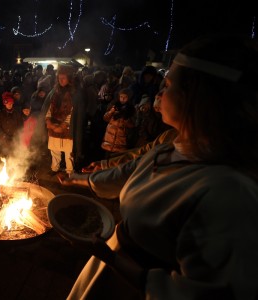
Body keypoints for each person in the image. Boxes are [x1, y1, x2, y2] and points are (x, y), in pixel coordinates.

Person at [60, 34, 258, 299]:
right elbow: (125, 174)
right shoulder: (170, 146)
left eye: (168, 84)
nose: (160, 93)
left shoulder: (229, 193)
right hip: (109, 267)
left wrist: (116, 261)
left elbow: (207, 293)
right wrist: (76, 179)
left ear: (196, 96)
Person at [100, 88, 136, 157]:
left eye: (125, 97)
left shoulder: (131, 110)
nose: (122, 99)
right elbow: (105, 118)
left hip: (120, 143)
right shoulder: (115, 106)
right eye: (121, 97)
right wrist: (111, 112)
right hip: (109, 141)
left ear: (129, 98)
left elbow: (132, 125)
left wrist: (125, 118)